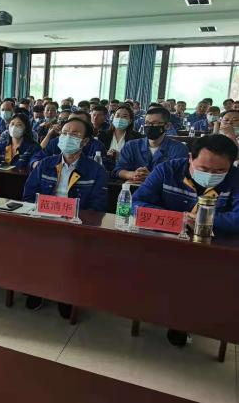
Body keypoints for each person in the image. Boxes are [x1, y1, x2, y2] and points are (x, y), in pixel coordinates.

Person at [133, 134, 239, 347]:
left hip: (212, 250)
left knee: (198, 280)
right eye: (204, 169)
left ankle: (181, 321)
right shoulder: (168, 170)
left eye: (220, 171)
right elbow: (137, 204)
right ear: (190, 158)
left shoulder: (236, 179)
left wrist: (201, 219)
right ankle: (156, 311)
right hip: (167, 242)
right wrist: (176, 219)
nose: (211, 175)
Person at [22, 118, 108, 314]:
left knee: (69, 251)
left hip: (75, 226)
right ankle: (36, 289)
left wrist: (73, 220)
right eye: (65, 132)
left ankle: (65, 294)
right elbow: (28, 195)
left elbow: (98, 207)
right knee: (33, 245)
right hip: (43, 221)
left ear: (85, 141)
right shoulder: (46, 164)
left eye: (74, 134)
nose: (68, 137)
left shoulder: (96, 171)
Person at [113, 107, 188, 182]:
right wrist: (133, 174)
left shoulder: (179, 149)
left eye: (154, 123)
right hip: (132, 187)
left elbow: (179, 176)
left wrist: (153, 176)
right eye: (147, 123)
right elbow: (118, 170)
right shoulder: (131, 146)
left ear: (167, 126)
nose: (150, 126)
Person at [34, 111, 108, 168]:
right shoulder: (56, 142)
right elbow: (37, 157)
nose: (73, 125)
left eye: (79, 122)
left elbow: (104, 167)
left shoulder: (96, 146)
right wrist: (38, 164)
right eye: (70, 121)